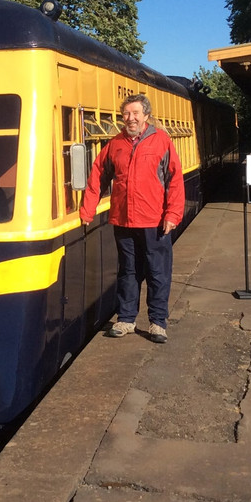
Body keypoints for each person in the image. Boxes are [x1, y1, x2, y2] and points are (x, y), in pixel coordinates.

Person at [79, 94, 184, 344]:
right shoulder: (115, 144)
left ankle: (158, 323)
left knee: (158, 273)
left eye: (136, 113)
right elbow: (97, 177)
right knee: (127, 271)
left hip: (154, 221)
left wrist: (172, 214)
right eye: (126, 114)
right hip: (123, 221)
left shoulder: (161, 141)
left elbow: (175, 180)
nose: (131, 118)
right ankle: (126, 319)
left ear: (146, 115)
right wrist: (87, 210)